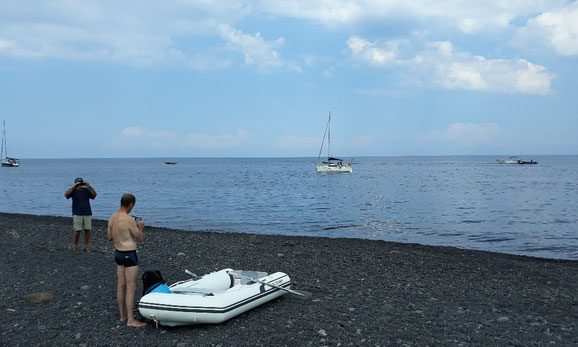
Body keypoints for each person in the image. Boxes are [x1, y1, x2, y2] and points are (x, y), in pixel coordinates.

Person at [106, 193, 147, 328]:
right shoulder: (129, 220)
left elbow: (110, 237)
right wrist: (140, 228)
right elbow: (139, 238)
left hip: (118, 254)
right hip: (129, 254)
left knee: (121, 285)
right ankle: (131, 319)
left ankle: (122, 315)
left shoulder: (112, 217)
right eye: (133, 205)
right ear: (130, 204)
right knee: (131, 287)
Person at [64, 177, 97, 252]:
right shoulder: (73, 191)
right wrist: (73, 186)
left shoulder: (86, 190)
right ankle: (75, 246)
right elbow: (66, 195)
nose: (80, 185)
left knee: (87, 230)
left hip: (87, 212)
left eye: (81, 183)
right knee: (77, 230)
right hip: (77, 213)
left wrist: (89, 186)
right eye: (78, 183)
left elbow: (94, 196)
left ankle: (86, 246)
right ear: (75, 183)